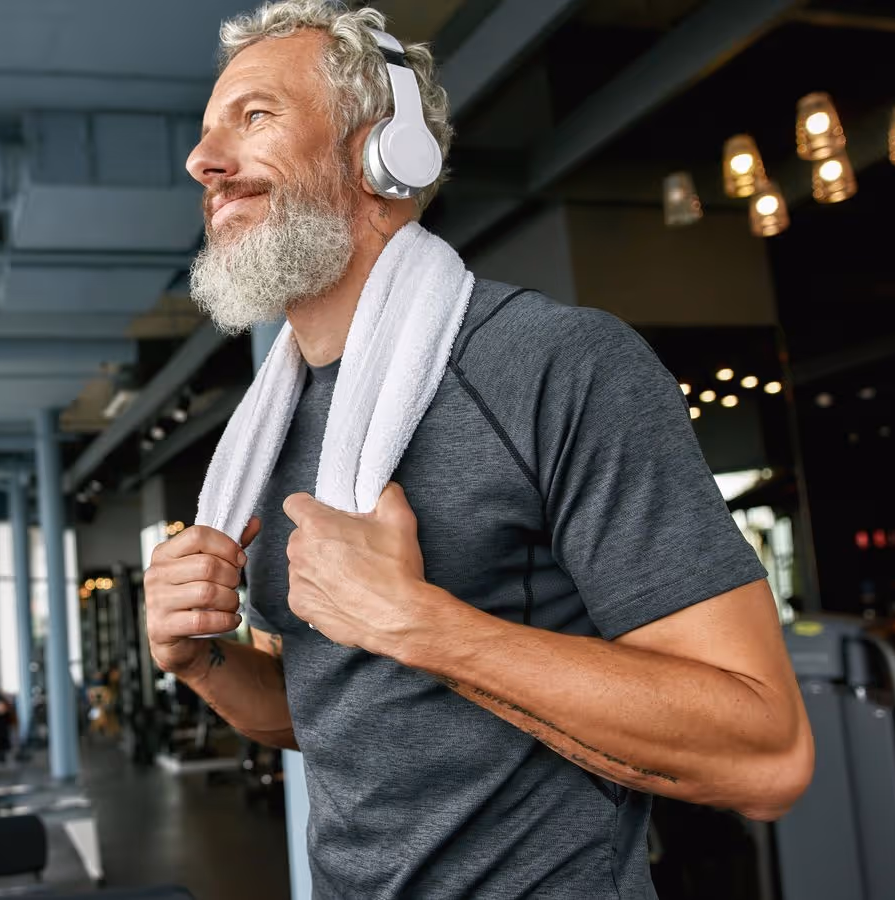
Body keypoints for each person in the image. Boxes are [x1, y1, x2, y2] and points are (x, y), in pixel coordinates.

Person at [144, 2, 815, 897]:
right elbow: (341, 715)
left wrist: (421, 624)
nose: (203, 161)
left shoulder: (557, 363)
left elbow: (766, 754)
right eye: (204, 134)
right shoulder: (266, 428)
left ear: (385, 153)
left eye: (255, 116)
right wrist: (207, 663)